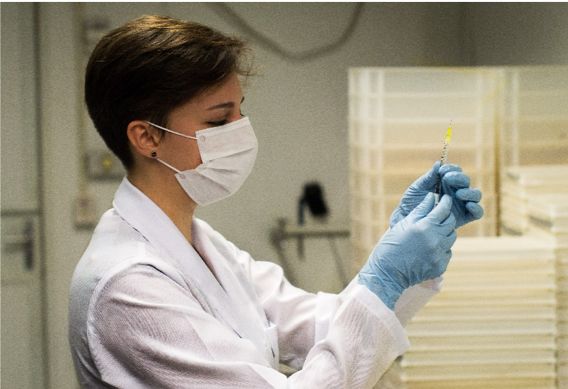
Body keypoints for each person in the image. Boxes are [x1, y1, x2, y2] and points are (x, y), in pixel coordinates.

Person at [68, 15, 484, 388]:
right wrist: (386, 278)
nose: (241, 130)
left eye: (239, 112)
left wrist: (402, 266)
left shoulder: (196, 241)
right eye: (218, 120)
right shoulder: (127, 285)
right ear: (147, 137)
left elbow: (322, 327)